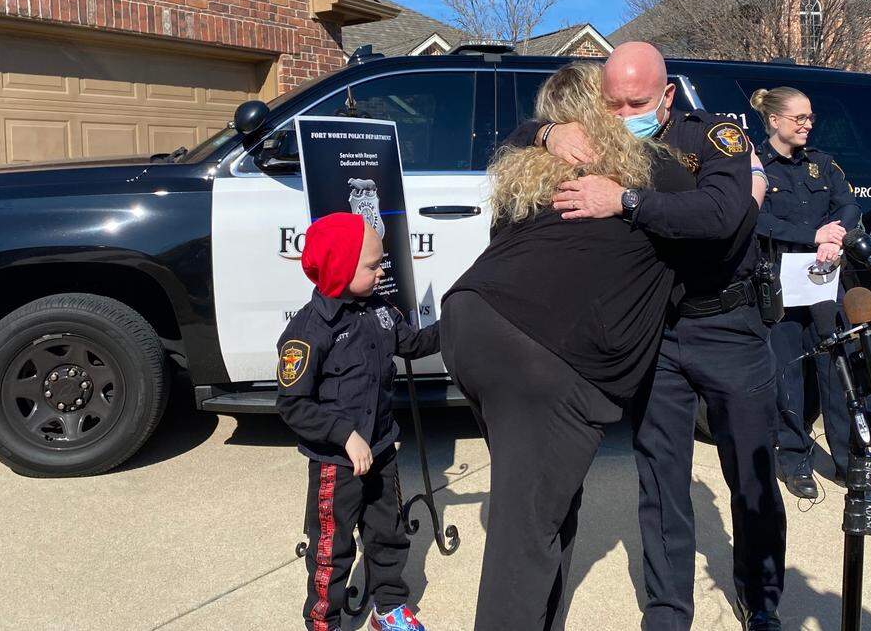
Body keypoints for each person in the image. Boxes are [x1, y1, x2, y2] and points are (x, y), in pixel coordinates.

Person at [529, 42, 784, 631]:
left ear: (667, 95)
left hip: (728, 325)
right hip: (658, 332)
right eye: (612, 104)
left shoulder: (714, 136)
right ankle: (668, 610)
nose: (623, 116)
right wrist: (547, 134)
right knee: (661, 477)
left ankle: (761, 597)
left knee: (751, 472)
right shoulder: (601, 140)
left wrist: (624, 201)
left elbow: (723, 216)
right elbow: (517, 135)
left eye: (636, 104)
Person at [439, 62, 700, 631]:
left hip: (470, 323)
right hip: (540, 356)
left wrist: (540, 133)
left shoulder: (526, 172)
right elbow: (720, 213)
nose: (628, 115)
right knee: (525, 530)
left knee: (548, 502)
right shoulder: (647, 170)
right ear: (599, 111)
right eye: (615, 104)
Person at [275, 212, 440, 631]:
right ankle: (323, 622)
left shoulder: (380, 310)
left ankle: (388, 608)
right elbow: (293, 404)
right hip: (338, 463)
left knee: (388, 532)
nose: (382, 271)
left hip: (381, 448)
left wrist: (457, 323)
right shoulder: (308, 331)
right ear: (340, 268)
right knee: (332, 549)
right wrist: (345, 436)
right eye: (372, 265)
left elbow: (413, 343)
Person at [751, 86, 861, 500]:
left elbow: (848, 205)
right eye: (799, 118)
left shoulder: (822, 163)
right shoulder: (756, 166)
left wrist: (834, 235)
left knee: (837, 371)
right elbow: (755, 220)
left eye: (810, 117)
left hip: (824, 280)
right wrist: (811, 235)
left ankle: (848, 460)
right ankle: (794, 459)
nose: (807, 125)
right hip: (779, 285)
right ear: (774, 120)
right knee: (788, 376)